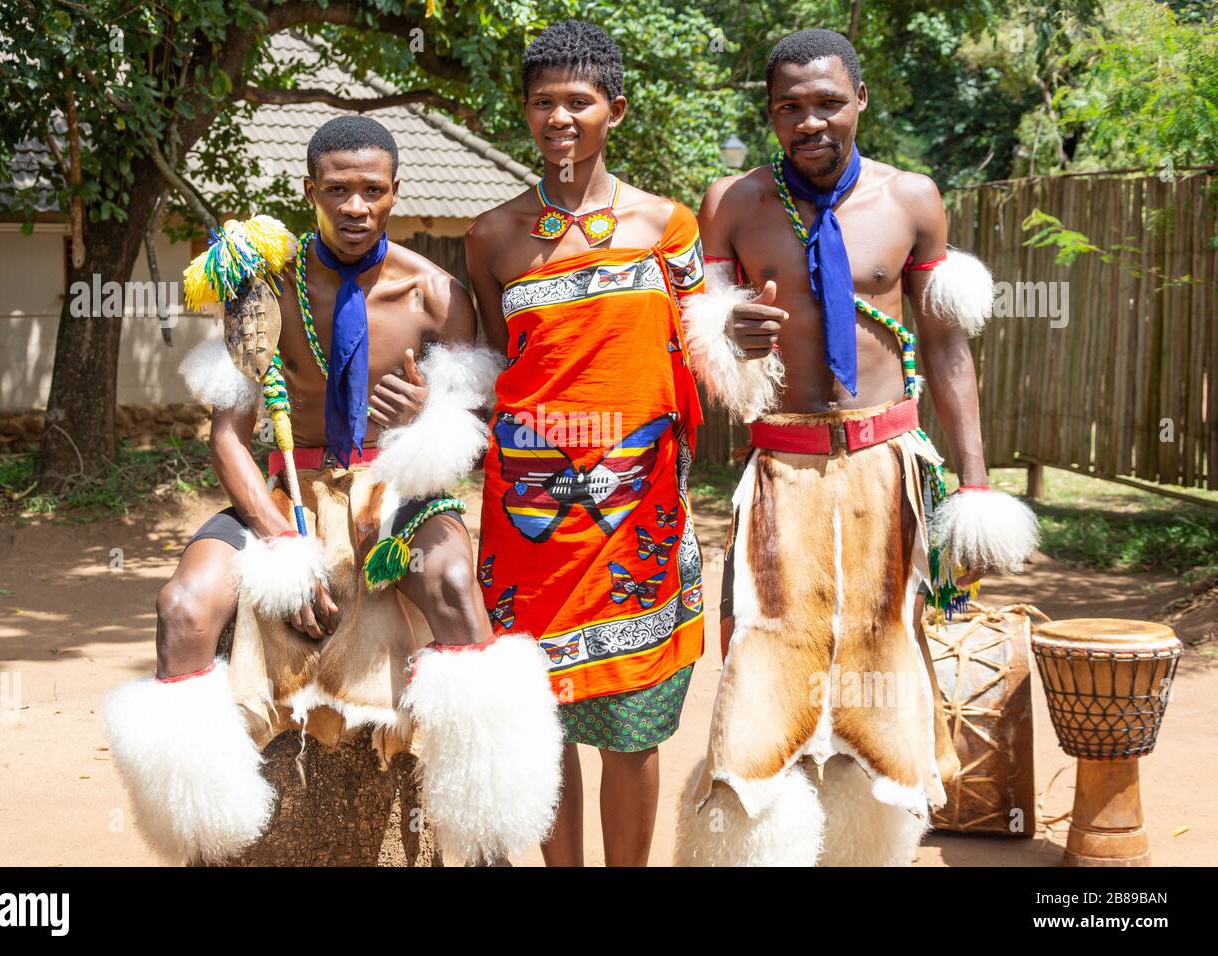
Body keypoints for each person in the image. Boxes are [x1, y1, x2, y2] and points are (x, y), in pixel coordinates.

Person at [104, 116, 562, 867]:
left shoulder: (434, 292)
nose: (356, 207)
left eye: (372, 191)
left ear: (394, 193)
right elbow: (228, 437)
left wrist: (425, 419)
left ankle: (484, 837)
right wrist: (283, 543)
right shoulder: (263, 290)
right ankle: (207, 831)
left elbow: (460, 442)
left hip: (396, 487)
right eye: (338, 190)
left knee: (452, 586)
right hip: (285, 494)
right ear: (308, 190)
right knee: (184, 608)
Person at [675, 28, 1037, 866]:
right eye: (789, 108)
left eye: (827, 102)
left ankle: (866, 850)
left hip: (887, 470)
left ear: (861, 101)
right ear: (770, 114)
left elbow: (946, 347)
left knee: (884, 660)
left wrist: (974, 494)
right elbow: (698, 348)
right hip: (781, 471)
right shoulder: (732, 203)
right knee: (762, 667)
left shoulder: (912, 200)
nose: (810, 122)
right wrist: (729, 335)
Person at [465, 20, 707, 867]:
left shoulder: (668, 229)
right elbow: (497, 369)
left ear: (617, 109)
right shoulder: (491, 237)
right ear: (524, 113)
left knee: (632, 726)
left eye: (580, 100)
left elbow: (704, 354)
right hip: (529, 514)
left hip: (639, 504)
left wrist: (742, 343)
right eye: (543, 103)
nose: (559, 117)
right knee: (543, 720)